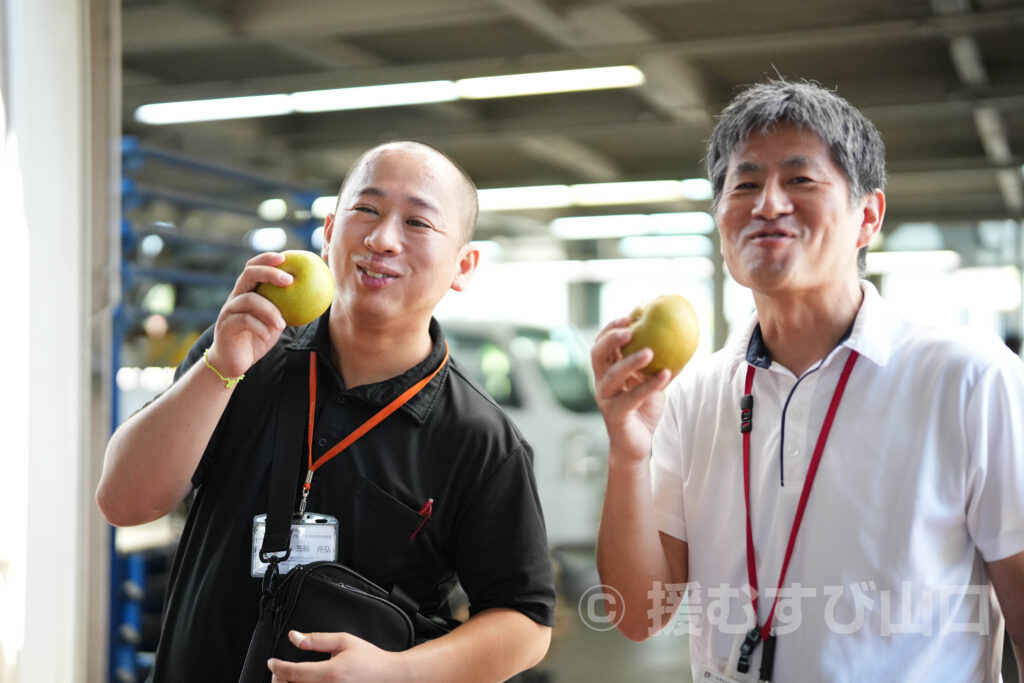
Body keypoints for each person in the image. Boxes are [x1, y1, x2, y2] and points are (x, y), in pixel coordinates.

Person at [590, 79, 1024, 682]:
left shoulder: (968, 378)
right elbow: (639, 615)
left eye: (800, 179)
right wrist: (628, 452)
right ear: (720, 225)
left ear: (867, 217)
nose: (768, 203)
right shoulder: (694, 394)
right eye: (744, 184)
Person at [97, 140, 555, 682]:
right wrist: (220, 365)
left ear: (464, 265)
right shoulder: (242, 358)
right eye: (366, 210)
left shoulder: (478, 438)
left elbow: (524, 621)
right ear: (331, 231)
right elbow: (125, 502)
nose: (383, 239)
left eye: (418, 223)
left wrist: (399, 673)